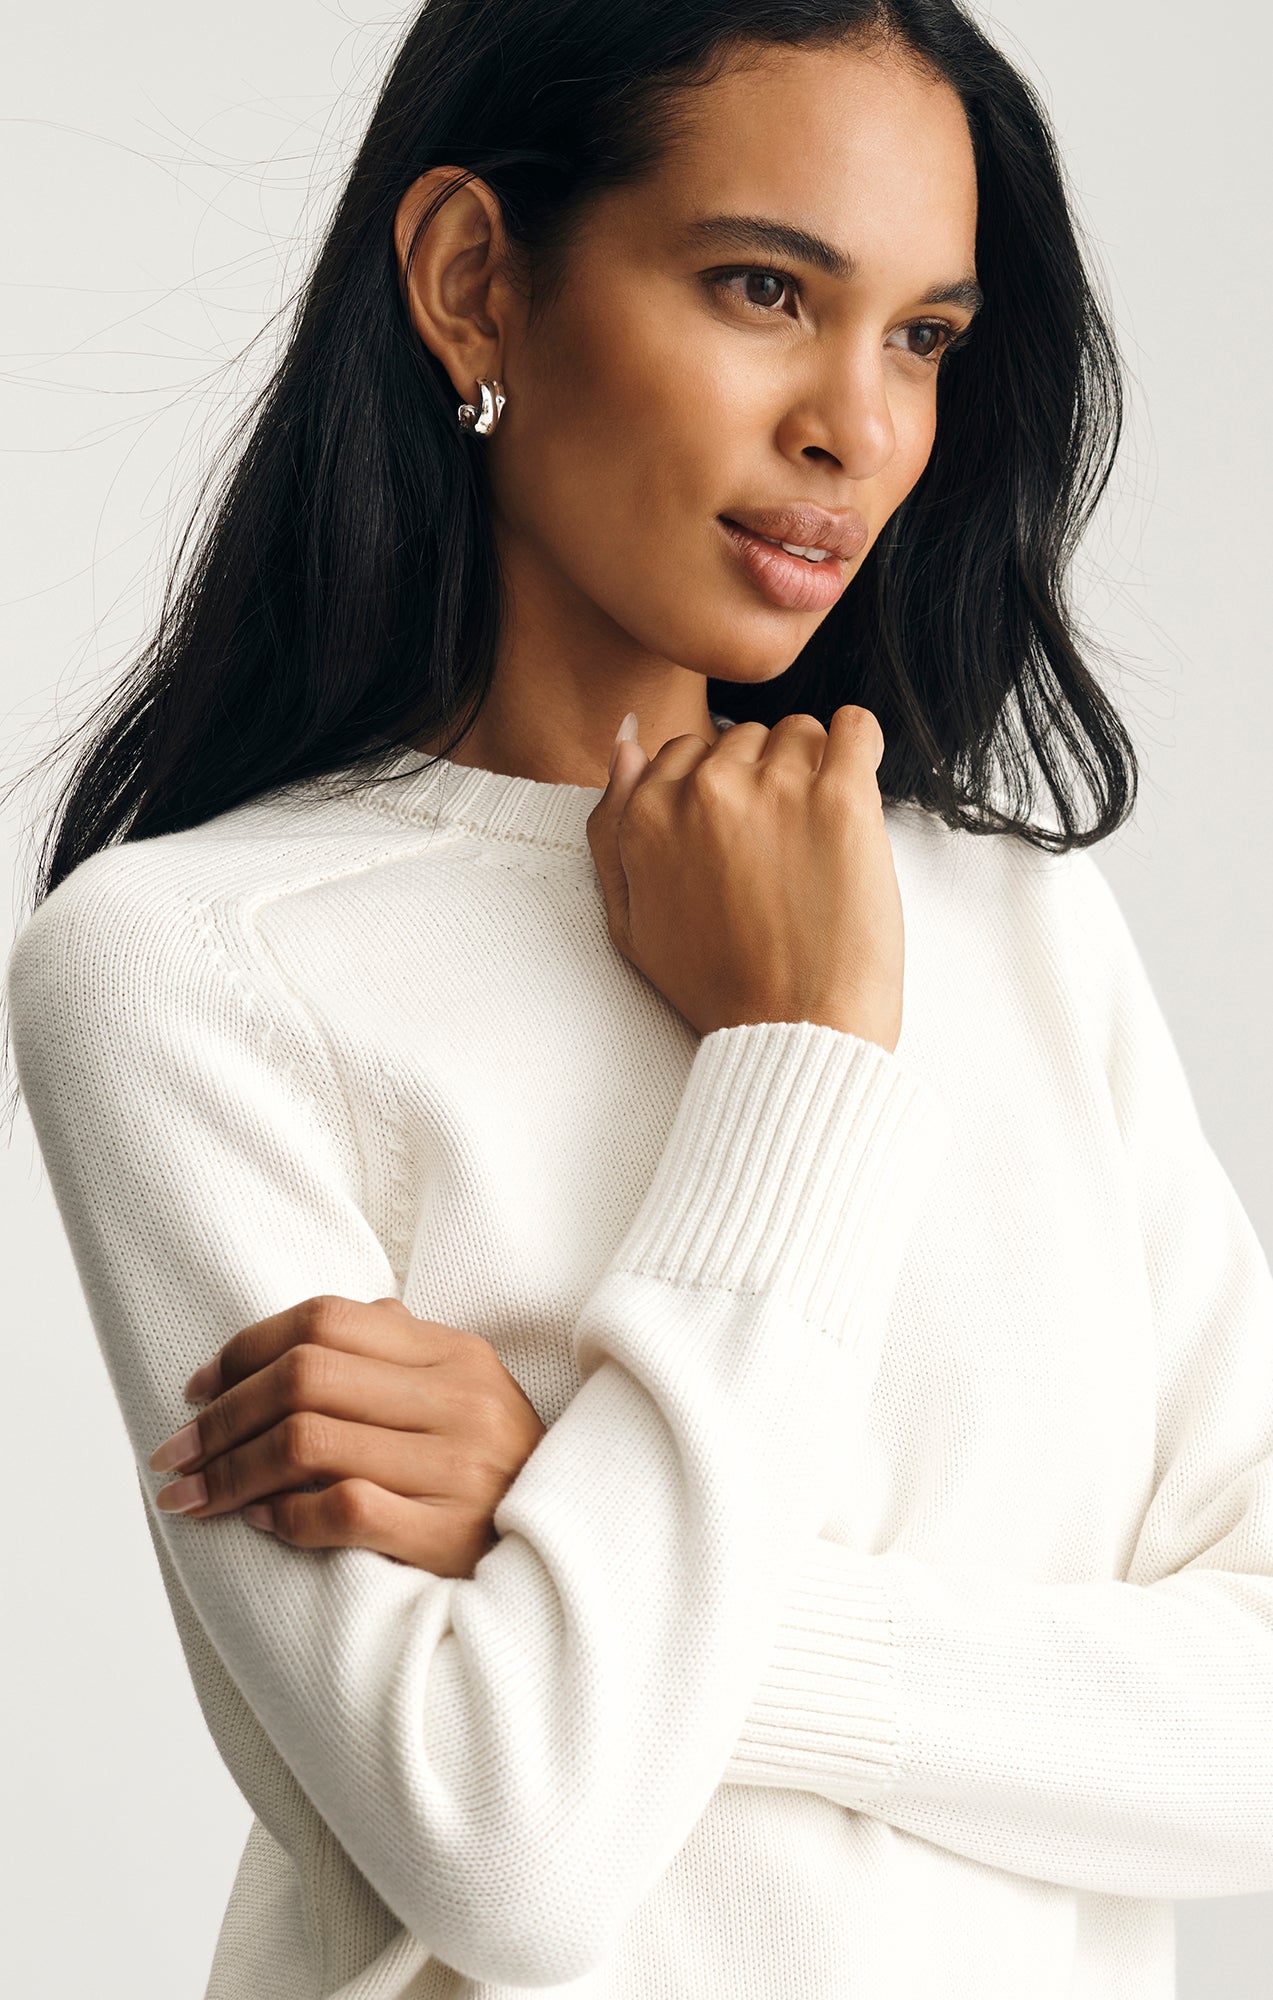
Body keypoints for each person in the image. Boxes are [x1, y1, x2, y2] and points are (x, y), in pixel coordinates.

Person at [6, 0, 1272, 1994]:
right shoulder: (190, 964)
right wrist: (798, 1053)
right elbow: (509, 1846)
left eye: (921, 336)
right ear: (471, 281)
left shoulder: (1016, 921)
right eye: (765, 289)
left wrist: (554, 1512)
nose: (856, 428)